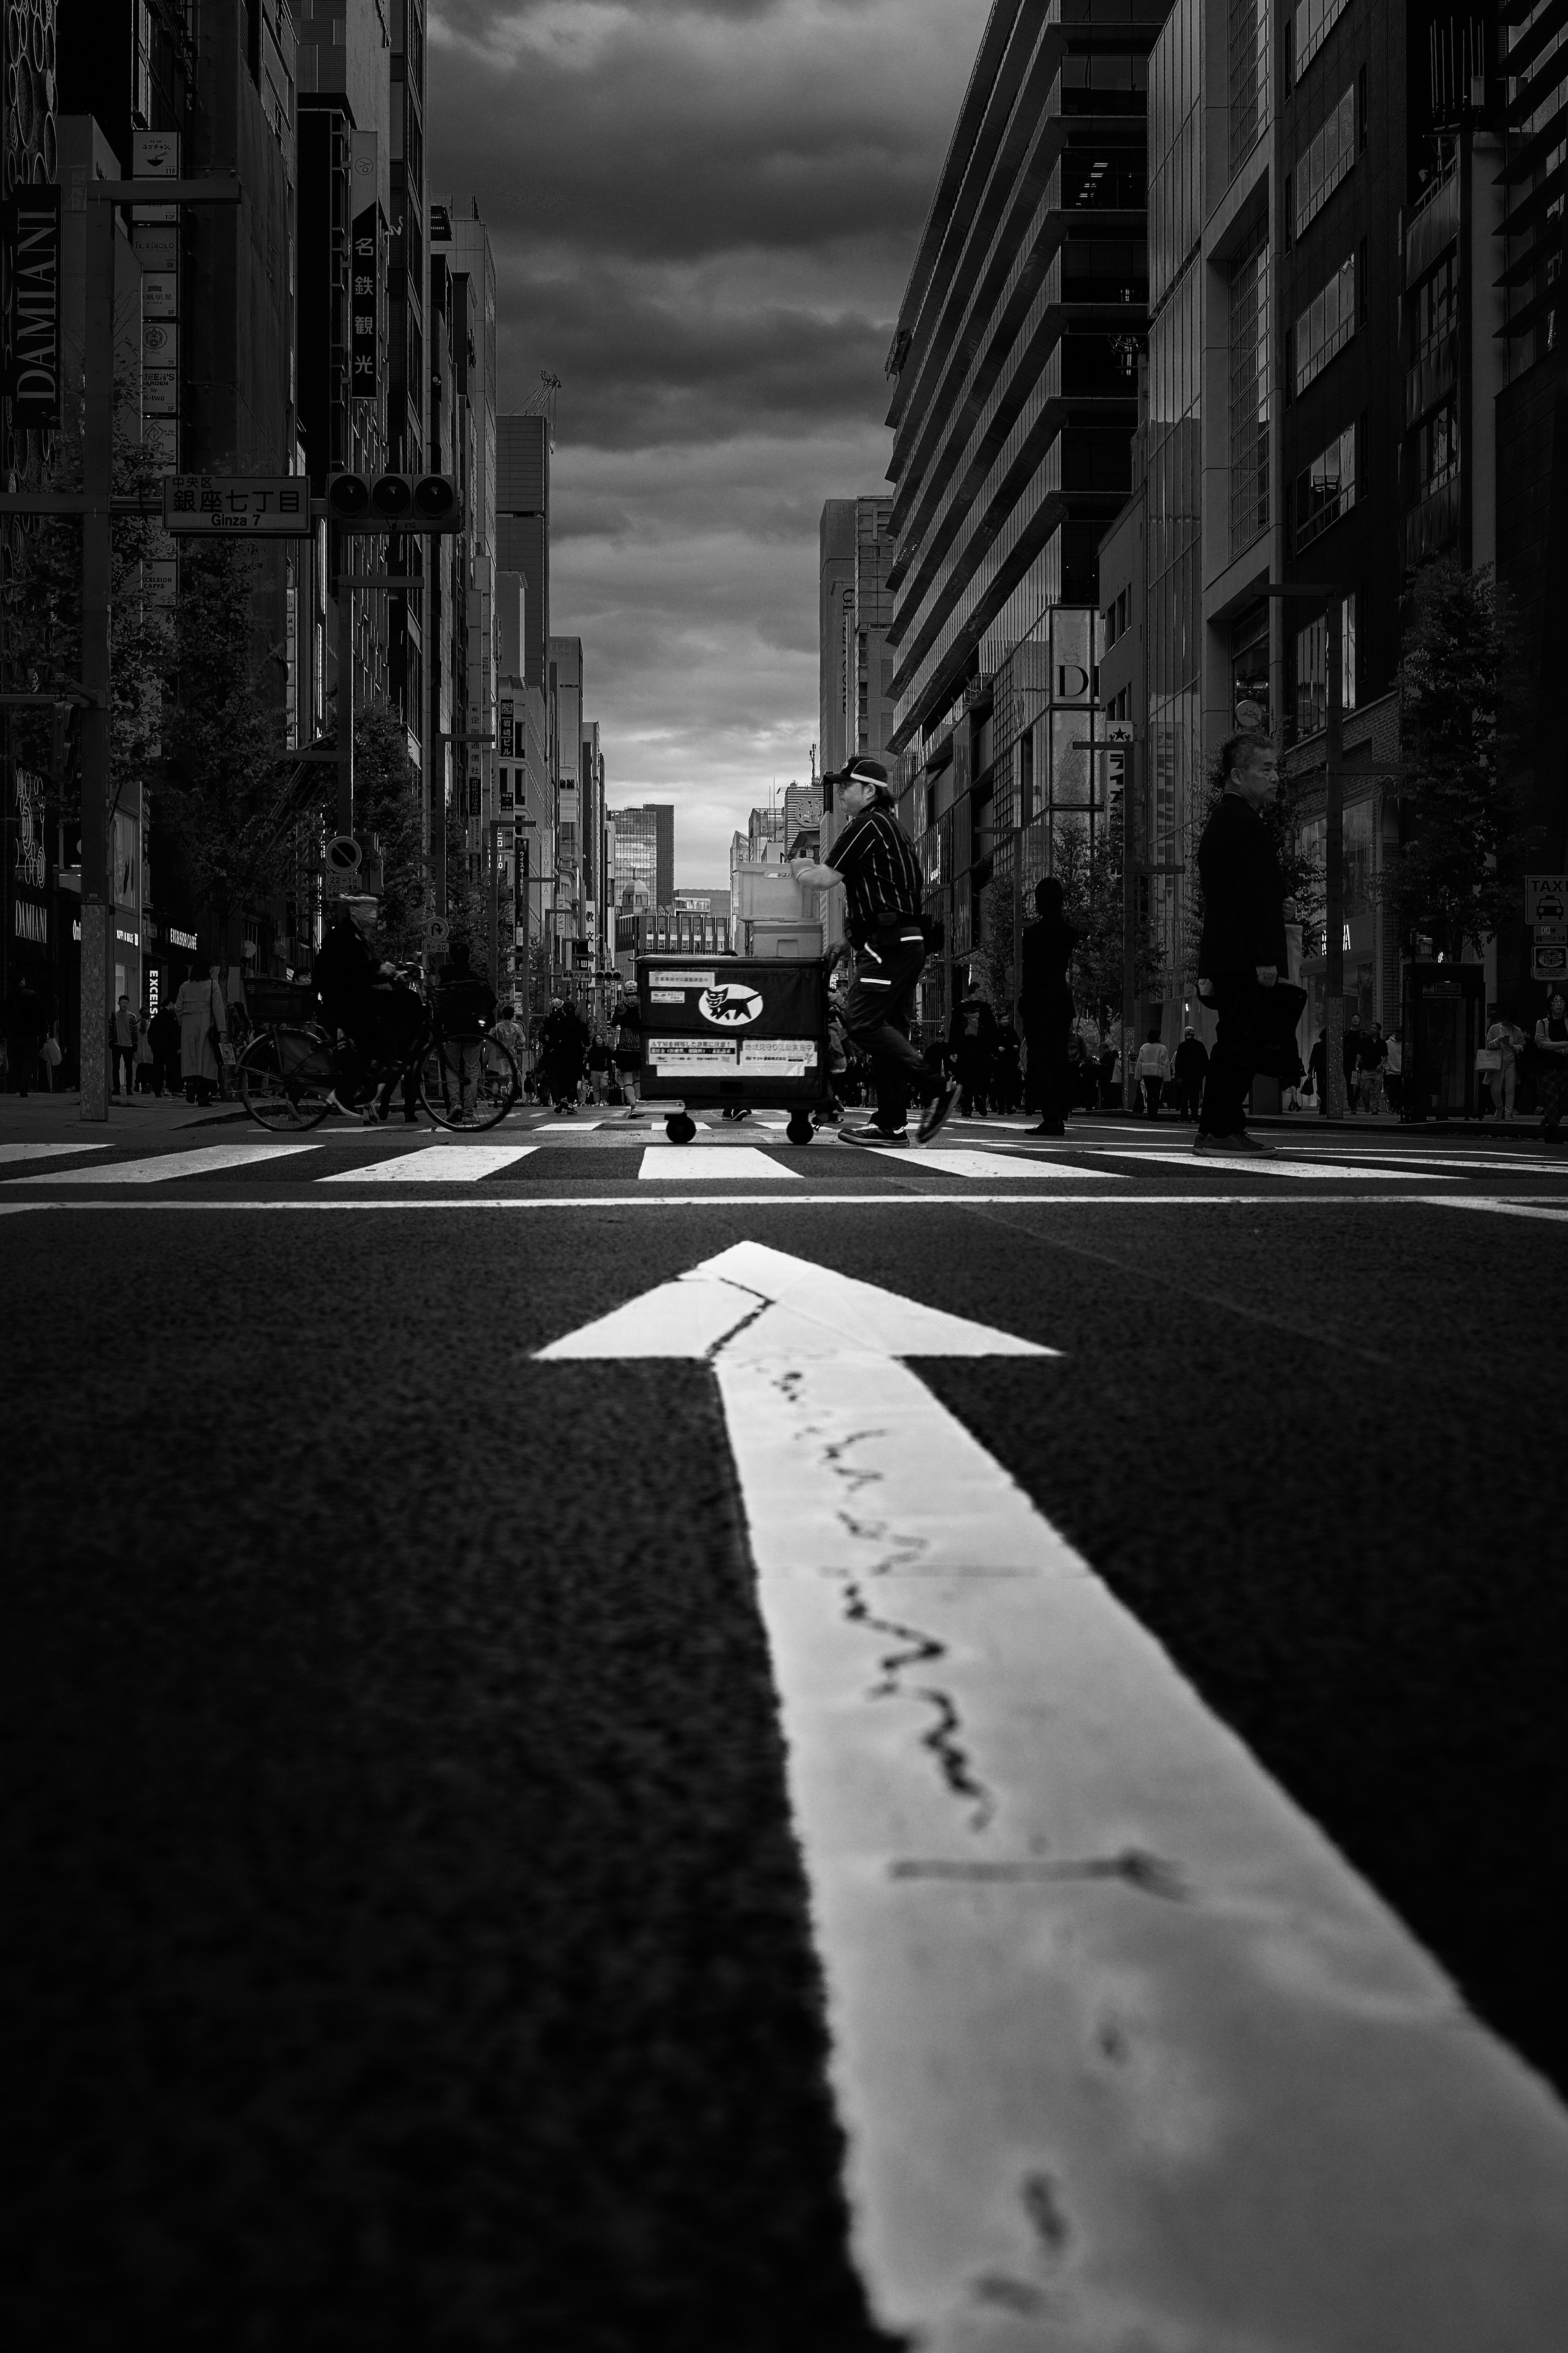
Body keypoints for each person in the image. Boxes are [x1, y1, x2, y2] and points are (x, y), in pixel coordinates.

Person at [790, 756, 957, 1147]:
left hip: (887, 947)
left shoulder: (866, 825)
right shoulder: (893, 829)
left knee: (861, 1020)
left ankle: (937, 1086)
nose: (841, 793)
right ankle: (891, 1125)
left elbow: (824, 878)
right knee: (890, 1031)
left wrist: (798, 866)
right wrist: (847, 941)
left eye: (846, 786)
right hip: (904, 941)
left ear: (869, 791)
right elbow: (891, 899)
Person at [1193, 729, 1289, 1155]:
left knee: (1233, 1042)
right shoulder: (1245, 824)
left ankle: (1219, 1127)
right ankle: (1221, 1130)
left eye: (1276, 768)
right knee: (1239, 1045)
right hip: (1244, 958)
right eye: (1266, 769)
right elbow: (1248, 897)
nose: (1275, 778)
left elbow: (1235, 895)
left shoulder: (1226, 819)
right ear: (1237, 775)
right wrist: (1266, 959)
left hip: (1227, 954)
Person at [1018, 876, 1076, 1135]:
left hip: (1039, 1001)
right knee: (1059, 1057)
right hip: (1061, 1000)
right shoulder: (1069, 933)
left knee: (1040, 1059)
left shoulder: (1033, 934)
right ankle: (1060, 1111)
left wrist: (1024, 1001)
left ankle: (1052, 1116)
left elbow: (1030, 974)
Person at [435, 939, 499, 1122]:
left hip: (452, 1030)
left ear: (452, 957)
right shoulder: (477, 977)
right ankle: (469, 1113)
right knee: (472, 1071)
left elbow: (440, 1005)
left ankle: (455, 1103)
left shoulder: (446, 977)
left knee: (452, 1068)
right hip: (473, 1030)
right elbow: (492, 1002)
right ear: (469, 957)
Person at [176, 964, 226, 1107]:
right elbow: (218, 1009)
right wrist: (222, 1029)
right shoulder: (212, 986)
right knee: (206, 1062)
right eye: (210, 968)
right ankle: (203, 1097)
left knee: (190, 1059)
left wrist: (184, 1022)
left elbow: (178, 1009)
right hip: (206, 1028)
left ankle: (190, 1084)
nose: (212, 970)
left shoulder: (185, 987)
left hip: (188, 1028)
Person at [538, 992, 589, 1112]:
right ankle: (571, 1104)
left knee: (561, 1078)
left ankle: (562, 1099)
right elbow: (587, 1042)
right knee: (573, 1080)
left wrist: (550, 1048)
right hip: (576, 1055)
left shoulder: (558, 1024)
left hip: (560, 1055)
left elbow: (551, 1040)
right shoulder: (581, 1025)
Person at [1532, 990, 1568, 1139]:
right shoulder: (1543, 1023)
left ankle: (1549, 1120)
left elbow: (1547, 1044)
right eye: (1555, 1002)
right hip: (1546, 1068)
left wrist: (1553, 1046)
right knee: (1552, 1097)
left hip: (1565, 1068)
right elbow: (1541, 1043)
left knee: (1564, 1099)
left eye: (1562, 1001)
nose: (1559, 1004)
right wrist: (1564, 1046)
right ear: (1550, 1005)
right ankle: (1552, 1132)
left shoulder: (1567, 1023)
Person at [4, 977, 45, 1096]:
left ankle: (13, 1085)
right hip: (30, 1034)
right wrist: (43, 1031)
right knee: (29, 1059)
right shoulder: (32, 995)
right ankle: (24, 1082)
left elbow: (5, 1016)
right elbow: (40, 1015)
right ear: (22, 982)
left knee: (15, 1059)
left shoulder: (9, 998)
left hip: (14, 1034)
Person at [1484, 1010, 1523, 1123]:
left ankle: (1508, 1112)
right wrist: (1498, 1041)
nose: (1507, 1022)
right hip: (1497, 1062)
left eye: (1510, 1021)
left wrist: (1511, 1046)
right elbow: (1488, 1045)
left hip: (1511, 1062)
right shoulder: (1494, 1029)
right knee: (1496, 1089)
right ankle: (1499, 1107)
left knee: (1510, 1089)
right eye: (1506, 1019)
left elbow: (1522, 1046)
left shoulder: (1517, 1031)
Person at [1171, 1026, 1208, 1122]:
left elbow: (1178, 1062)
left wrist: (1178, 1076)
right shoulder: (1200, 1046)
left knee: (1185, 1097)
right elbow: (1205, 1061)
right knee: (1195, 1097)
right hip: (1197, 1076)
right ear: (1194, 1035)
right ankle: (1194, 1117)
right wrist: (1203, 1074)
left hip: (1185, 1076)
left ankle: (1184, 1117)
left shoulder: (1182, 1046)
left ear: (1185, 1035)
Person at [148, 995, 181, 1098]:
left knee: (158, 1070)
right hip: (169, 1049)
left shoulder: (156, 1018)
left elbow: (150, 1033)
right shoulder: (171, 1018)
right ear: (171, 1003)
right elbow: (174, 1034)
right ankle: (175, 1090)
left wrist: (153, 1045)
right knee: (173, 1069)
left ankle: (158, 1091)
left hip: (157, 1049)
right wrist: (178, 1047)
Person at [1135, 1026, 1169, 1118]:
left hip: (1147, 1074)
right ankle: (1155, 1114)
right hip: (1158, 1074)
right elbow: (1166, 1064)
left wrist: (1139, 1076)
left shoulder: (1144, 1048)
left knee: (1149, 1094)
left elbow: (1140, 1062)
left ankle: (1150, 1113)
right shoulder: (1162, 1048)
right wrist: (1167, 1079)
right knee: (1157, 1093)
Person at [111, 994, 137, 1100]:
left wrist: (135, 1044)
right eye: (123, 1003)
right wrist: (111, 1042)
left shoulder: (132, 1017)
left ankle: (129, 1089)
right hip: (117, 1045)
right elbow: (110, 1029)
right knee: (116, 1068)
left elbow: (135, 1032)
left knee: (129, 1068)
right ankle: (117, 1088)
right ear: (119, 1003)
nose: (125, 1005)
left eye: (126, 1003)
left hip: (129, 1045)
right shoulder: (113, 1016)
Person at [1341, 1013, 1363, 1114]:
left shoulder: (1364, 1034)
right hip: (1348, 1061)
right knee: (1350, 1083)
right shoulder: (1346, 1033)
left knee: (1360, 1083)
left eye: (1358, 1019)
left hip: (1361, 1061)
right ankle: (1352, 1103)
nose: (1356, 1020)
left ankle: (1356, 1100)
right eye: (1354, 1018)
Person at [1384, 1024, 1404, 1117]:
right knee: (1393, 1089)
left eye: (1400, 1033)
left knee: (1401, 1090)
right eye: (1397, 1033)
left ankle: (1399, 1107)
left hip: (1401, 1070)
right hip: (1391, 1069)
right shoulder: (1388, 1043)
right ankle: (1393, 1106)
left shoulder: (1404, 1044)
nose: (1398, 1035)